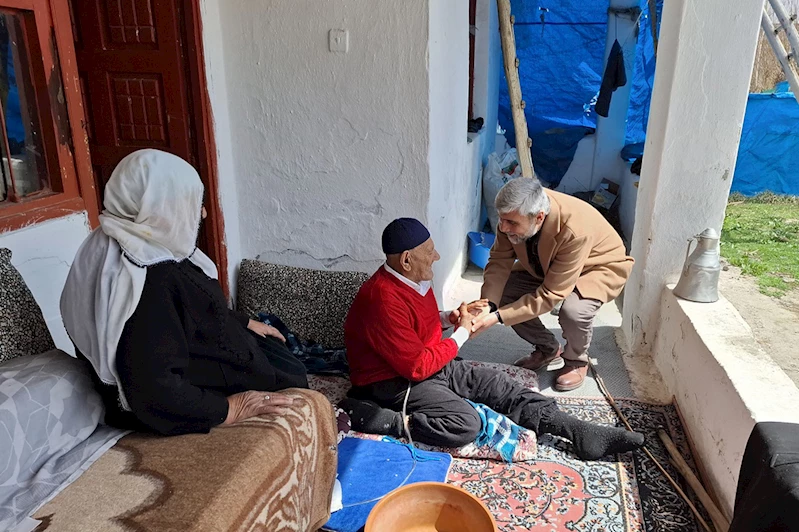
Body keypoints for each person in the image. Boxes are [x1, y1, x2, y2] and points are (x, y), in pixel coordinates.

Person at [340, 218, 644, 460]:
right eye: (429, 252)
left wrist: (450, 318)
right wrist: (465, 332)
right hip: (391, 382)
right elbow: (416, 368)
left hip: (430, 363)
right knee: (465, 424)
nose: (437, 256)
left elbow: (418, 325)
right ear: (407, 260)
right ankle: (379, 417)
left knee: (501, 386)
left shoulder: (411, 279)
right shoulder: (380, 299)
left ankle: (578, 432)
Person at [60, 149, 308, 436]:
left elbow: (182, 313)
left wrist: (242, 322)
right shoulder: (147, 278)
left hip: (205, 355)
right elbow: (155, 388)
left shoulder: (110, 242)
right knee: (292, 375)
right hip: (183, 400)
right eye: (192, 202)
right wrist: (231, 409)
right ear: (159, 205)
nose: (202, 213)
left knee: (283, 355)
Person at [472, 178, 634, 391]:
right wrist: (489, 305)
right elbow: (499, 260)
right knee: (505, 292)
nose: (503, 227)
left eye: (511, 223)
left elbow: (551, 294)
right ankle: (548, 348)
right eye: (501, 220)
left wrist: (498, 317)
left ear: (539, 217)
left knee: (574, 311)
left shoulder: (575, 229)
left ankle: (576, 360)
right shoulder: (515, 213)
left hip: (595, 267)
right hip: (546, 264)